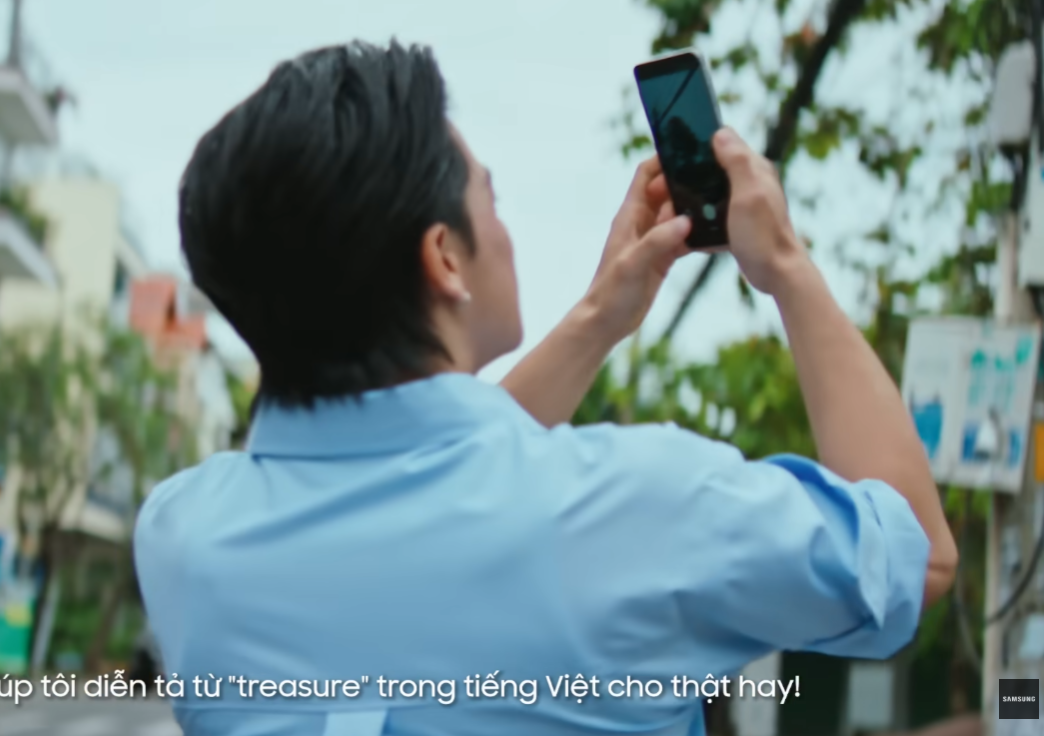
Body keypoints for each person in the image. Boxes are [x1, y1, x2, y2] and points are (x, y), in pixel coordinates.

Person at [133, 40, 958, 736]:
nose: (504, 226)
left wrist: (598, 318)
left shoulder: (185, 541)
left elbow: (430, 485)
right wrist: (785, 266)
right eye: (489, 197)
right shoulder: (647, 509)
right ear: (444, 257)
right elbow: (913, 559)